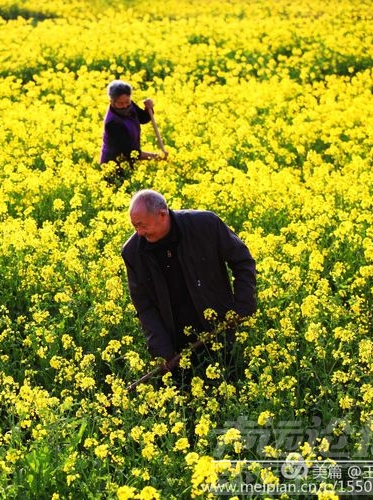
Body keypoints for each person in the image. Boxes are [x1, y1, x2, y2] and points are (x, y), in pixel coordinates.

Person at [121, 189, 257, 386]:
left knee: (233, 385)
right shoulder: (133, 252)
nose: (139, 233)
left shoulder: (205, 225)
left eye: (142, 225)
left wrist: (244, 304)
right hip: (176, 343)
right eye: (135, 227)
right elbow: (144, 306)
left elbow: (243, 261)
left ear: (162, 214)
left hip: (219, 329)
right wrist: (162, 350)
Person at [99, 80, 167, 173]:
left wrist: (148, 108)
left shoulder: (130, 105)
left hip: (129, 162)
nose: (125, 106)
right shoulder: (113, 123)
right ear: (112, 102)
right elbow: (130, 152)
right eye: (120, 103)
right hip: (113, 166)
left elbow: (143, 118)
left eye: (127, 102)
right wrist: (156, 157)